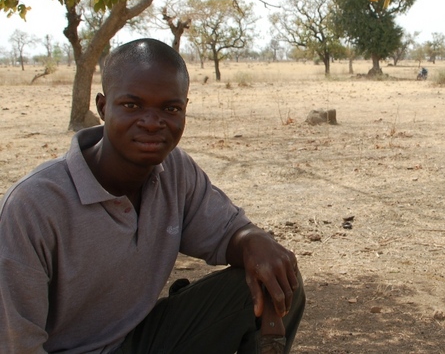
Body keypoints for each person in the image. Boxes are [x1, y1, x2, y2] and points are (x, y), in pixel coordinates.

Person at [0, 38, 304, 353]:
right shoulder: (34, 205)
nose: (151, 123)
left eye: (169, 108)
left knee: (278, 276)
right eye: (132, 105)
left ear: (184, 109)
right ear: (104, 107)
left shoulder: (175, 171)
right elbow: (16, 343)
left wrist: (253, 239)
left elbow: (229, 233)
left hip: (139, 341)